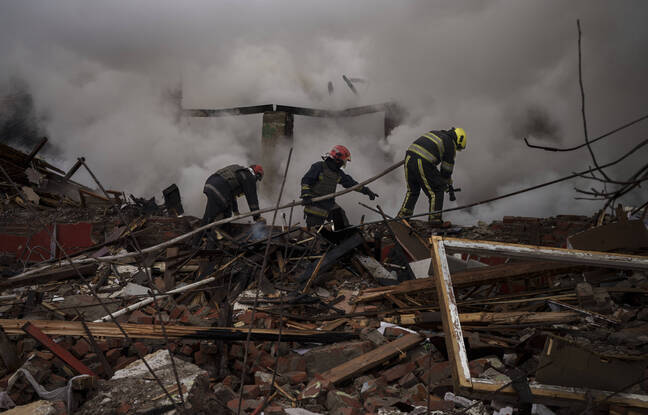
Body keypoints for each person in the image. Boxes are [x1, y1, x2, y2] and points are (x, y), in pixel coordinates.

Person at [397, 127, 466, 226]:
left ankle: (402, 217)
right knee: (437, 190)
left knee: (413, 190)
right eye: (458, 147)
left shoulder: (436, 133)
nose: (456, 149)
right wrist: (446, 183)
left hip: (409, 158)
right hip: (422, 161)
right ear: (458, 140)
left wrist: (447, 181)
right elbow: (446, 169)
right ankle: (435, 220)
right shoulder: (450, 143)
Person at [301, 145, 379, 229]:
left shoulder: (338, 173)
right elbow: (306, 181)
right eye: (344, 160)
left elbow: (352, 184)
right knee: (316, 233)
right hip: (315, 204)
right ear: (338, 159)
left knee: (341, 220)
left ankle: (344, 237)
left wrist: (366, 191)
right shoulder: (318, 167)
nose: (344, 163)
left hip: (329, 203)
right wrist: (306, 195)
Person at [193, 164, 265, 246]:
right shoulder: (249, 176)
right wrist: (257, 217)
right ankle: (206, 242)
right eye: (258, 178)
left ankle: (207, 240)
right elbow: (252, 198)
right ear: (256, 174)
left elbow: (231, 194)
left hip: (211, 184)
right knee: (216, 217)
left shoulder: (240, 172)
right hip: (219, 190)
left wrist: (236, 211)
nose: (256, 181)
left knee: (218, 215)